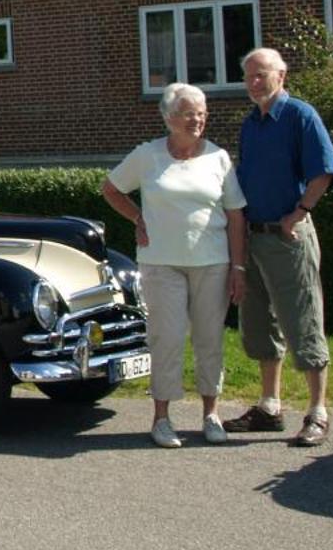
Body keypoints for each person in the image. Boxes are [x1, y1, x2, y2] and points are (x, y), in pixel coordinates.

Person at [102, 83, 248, 448]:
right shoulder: (147, 155)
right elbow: (111, 188)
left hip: (212, 263)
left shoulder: (218, 158)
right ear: (169, 118)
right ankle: (162, 418)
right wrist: (138, 218)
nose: (197, 119)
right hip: (160, 264)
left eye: (201, 113)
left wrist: (238, 268)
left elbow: (235, 215)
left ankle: (211, 414)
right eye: (189, 113)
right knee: (165, 339)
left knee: (209, 339)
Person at [228, 47, 333, 447]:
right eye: (249, 77)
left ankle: (317, 412)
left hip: (287, 237)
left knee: (302, 321)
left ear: (281, 75)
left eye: (262, 74)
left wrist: (299, 213)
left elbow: (324, 171)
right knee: (259, 323)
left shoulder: (300, 115)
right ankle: (270, 406)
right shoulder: (251, 123)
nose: (254, 82)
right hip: (254, 237)